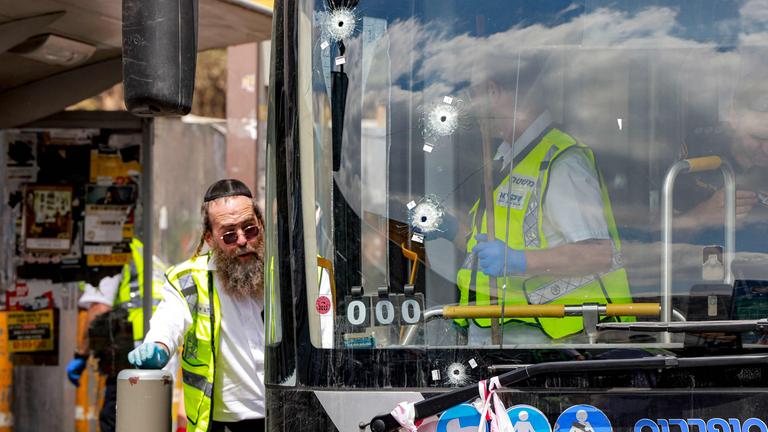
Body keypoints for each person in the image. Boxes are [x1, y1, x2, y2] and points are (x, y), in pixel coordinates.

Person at [421, 52, 633, 343]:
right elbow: (492, 247)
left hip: (559, 343)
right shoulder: (508, 158)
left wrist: (519, 261)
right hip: (505, 333)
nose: (470, 105)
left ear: (493, 91)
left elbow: (599, 253)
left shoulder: (560, 163)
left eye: (473, 93)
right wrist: (451, 229)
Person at [127, 179, 266, 432]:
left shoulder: (285, 274)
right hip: (224, 424)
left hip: (288, 416)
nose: (243, 240)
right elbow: (168, 322)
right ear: (210, 239)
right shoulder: (187, 280)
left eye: (250, 229)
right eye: (229, 235)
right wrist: (157, 346)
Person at [66, 237, 168, 432]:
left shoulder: (110, 251)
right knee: (148, 420)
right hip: (159, 348)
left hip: (132, 351)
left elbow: (99, 308)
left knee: (115, 418)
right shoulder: (142, 250)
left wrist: (81, 354)